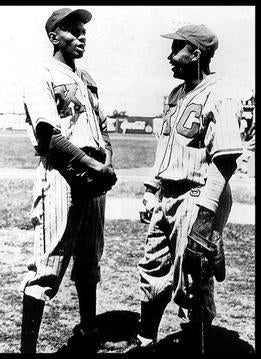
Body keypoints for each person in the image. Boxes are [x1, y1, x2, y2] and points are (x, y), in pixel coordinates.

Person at [126, 24, 243, 353]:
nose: (170, 56)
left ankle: (197, 345)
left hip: (197, 197)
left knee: (193, 279)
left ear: (196, 54)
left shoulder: (220, 92)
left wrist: (205, 219)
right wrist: (151, 189)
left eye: (177, 48)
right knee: (151, 270)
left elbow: (226, 159)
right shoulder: (176, 94)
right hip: (167, 196)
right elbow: (164, 148)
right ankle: (145, 341)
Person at [20, 8, 117, 353]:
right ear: (53, 37)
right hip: (62, 174)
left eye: (83, 31)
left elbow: (102, 126)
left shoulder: (87, 77)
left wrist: (106, 157)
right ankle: (27, 349)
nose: (81, 37)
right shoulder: (41, 73)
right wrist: (94, 165)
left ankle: (88, 330)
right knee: (47, 266)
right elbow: (49, 136)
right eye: (72, 31)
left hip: (92, 177)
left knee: (90, 260)